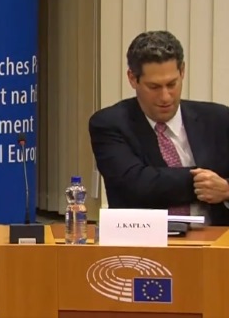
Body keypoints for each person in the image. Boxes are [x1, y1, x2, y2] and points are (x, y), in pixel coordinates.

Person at [89, 30, 229, 225]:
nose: (165, 97)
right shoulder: (110, 124)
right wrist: (202, 182)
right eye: (154, 87)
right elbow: (136, 185)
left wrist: (226, 190)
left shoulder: (218, 119)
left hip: (216, 238)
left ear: (182, 71)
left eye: (172, 84)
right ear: (132, 78)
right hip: (144, 238)